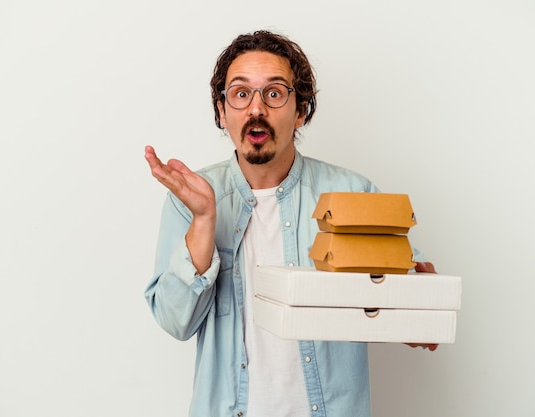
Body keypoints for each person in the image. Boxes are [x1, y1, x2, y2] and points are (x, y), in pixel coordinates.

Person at [144, 30, 437, 417]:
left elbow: (407, 305)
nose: (256, 109)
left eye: (275, 93)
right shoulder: (192, 198)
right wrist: (203, 221)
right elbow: (174, 321)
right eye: (241, 93)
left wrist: (418, 306)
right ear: (222, 111)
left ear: (301, 111)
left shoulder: (354, 193)